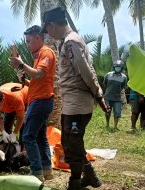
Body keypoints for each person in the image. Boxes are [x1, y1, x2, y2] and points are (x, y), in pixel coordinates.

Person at [41, 7, 109, 190]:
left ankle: (81, 178)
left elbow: (86, 71)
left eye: (47, 29)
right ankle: (82, 178)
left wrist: (99, 95)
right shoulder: (69, 42)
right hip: (72, 103)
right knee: (70, 142)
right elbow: (88, 68)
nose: (47, 33)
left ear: (52, 25)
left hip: (78, 104)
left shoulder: (71, 42)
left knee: (72, 142)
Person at [10, 25, 56, 181]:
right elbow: (37, 81)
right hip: (41, 99)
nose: (28, 44)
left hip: (41, 101)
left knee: (28, 136)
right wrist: (22, 77)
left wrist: (21, 64)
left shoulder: (46, 53)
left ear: (38, 38)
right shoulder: (39, 56)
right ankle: (46, 170)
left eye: (29, 41)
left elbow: (39, 74)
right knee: (40, 137)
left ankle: (36, 172)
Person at [104, 60, 127, 130]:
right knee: (108, 111)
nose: (117, 68)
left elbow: (123, 86)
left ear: (122, 67)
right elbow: (105, 84)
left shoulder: (124, 77)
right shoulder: (108, 75)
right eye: (116, 67)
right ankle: (107, 124)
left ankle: (115, 126)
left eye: (119, 67)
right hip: (108, 97)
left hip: (118, 98)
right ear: (114, 67)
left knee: (117, 112)